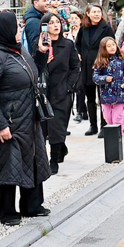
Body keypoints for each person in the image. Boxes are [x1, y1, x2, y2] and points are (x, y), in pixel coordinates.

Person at [0, 12, 52, 225]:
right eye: (17, 28)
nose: (20, 31)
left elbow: (34, 73)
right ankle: (8, 213)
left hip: (28, 116)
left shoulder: (17, 51)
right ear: (5, 31)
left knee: (33, 159)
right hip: (10, 120)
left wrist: (40, 53)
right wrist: (0, 124)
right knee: (9, 164)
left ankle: (32, 206)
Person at [34, 13, 80, 174]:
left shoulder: (67, 44)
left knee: (57, 126)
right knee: (43, 127)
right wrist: (41, 53)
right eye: (51, 23)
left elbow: (75, 67)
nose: (55, 25)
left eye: (58, 22)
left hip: (62, 91)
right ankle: (55, 151)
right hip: (43, 92)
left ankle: (54, 159)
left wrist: (69, 87)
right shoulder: (39, 44)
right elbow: (34, 66)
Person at [75, 5, 115, 136]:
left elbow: (112, 44)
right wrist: (79, 54)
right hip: (87, 67)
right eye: (94, 12)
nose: (97, 14)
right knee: (90, 98)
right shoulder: (83, 29)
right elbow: (78, 44)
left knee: (103, 97)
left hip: (103, 66)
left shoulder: (106, 28)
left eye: (98, 12)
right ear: (88, 13)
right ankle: (93, 125)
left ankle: (104, 125)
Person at [92, 37, 124, 132]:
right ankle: (112, 137)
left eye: (113, 45)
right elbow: (95, 77)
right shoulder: (100, 62)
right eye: (108, 46)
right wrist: (105, 79)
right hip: (106, 96)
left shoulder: (123, 60)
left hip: (120, 94)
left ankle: (118, 138)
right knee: (107, 118)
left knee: (117, 119)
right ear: (103, 48)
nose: (112, 47)